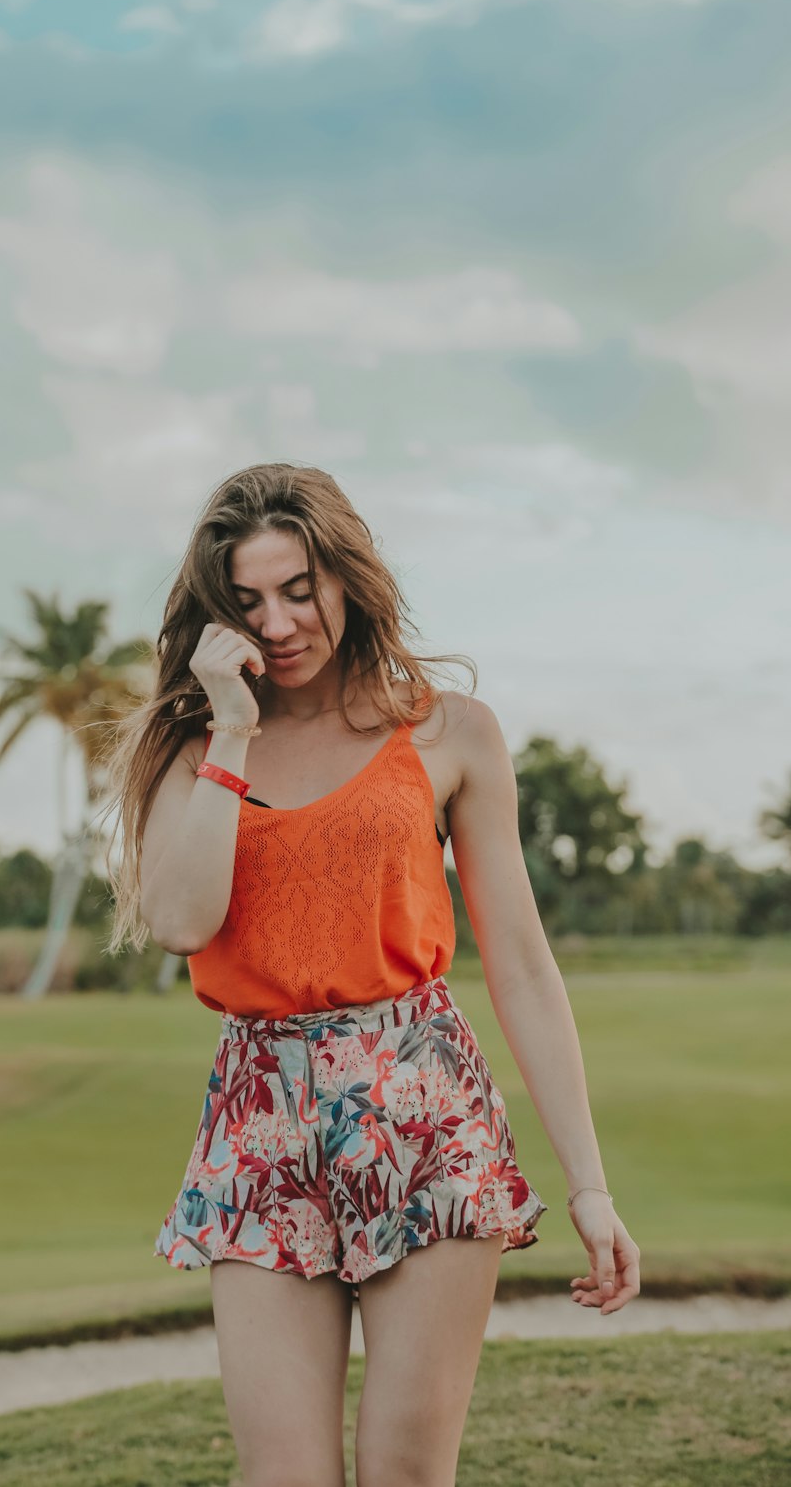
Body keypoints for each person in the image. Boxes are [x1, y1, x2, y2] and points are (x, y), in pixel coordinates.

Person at [103, 462, 641, 1487]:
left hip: (425, 1110)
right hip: (260, 1124)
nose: (278, 622)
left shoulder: (450, 733)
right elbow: (179, 921)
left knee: (404, 1472)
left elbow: (521, 965)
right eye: (247, 600)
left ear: (346, 576)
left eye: (299, 588)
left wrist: (589, 1186)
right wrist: (228, 730)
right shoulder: (194, 747)